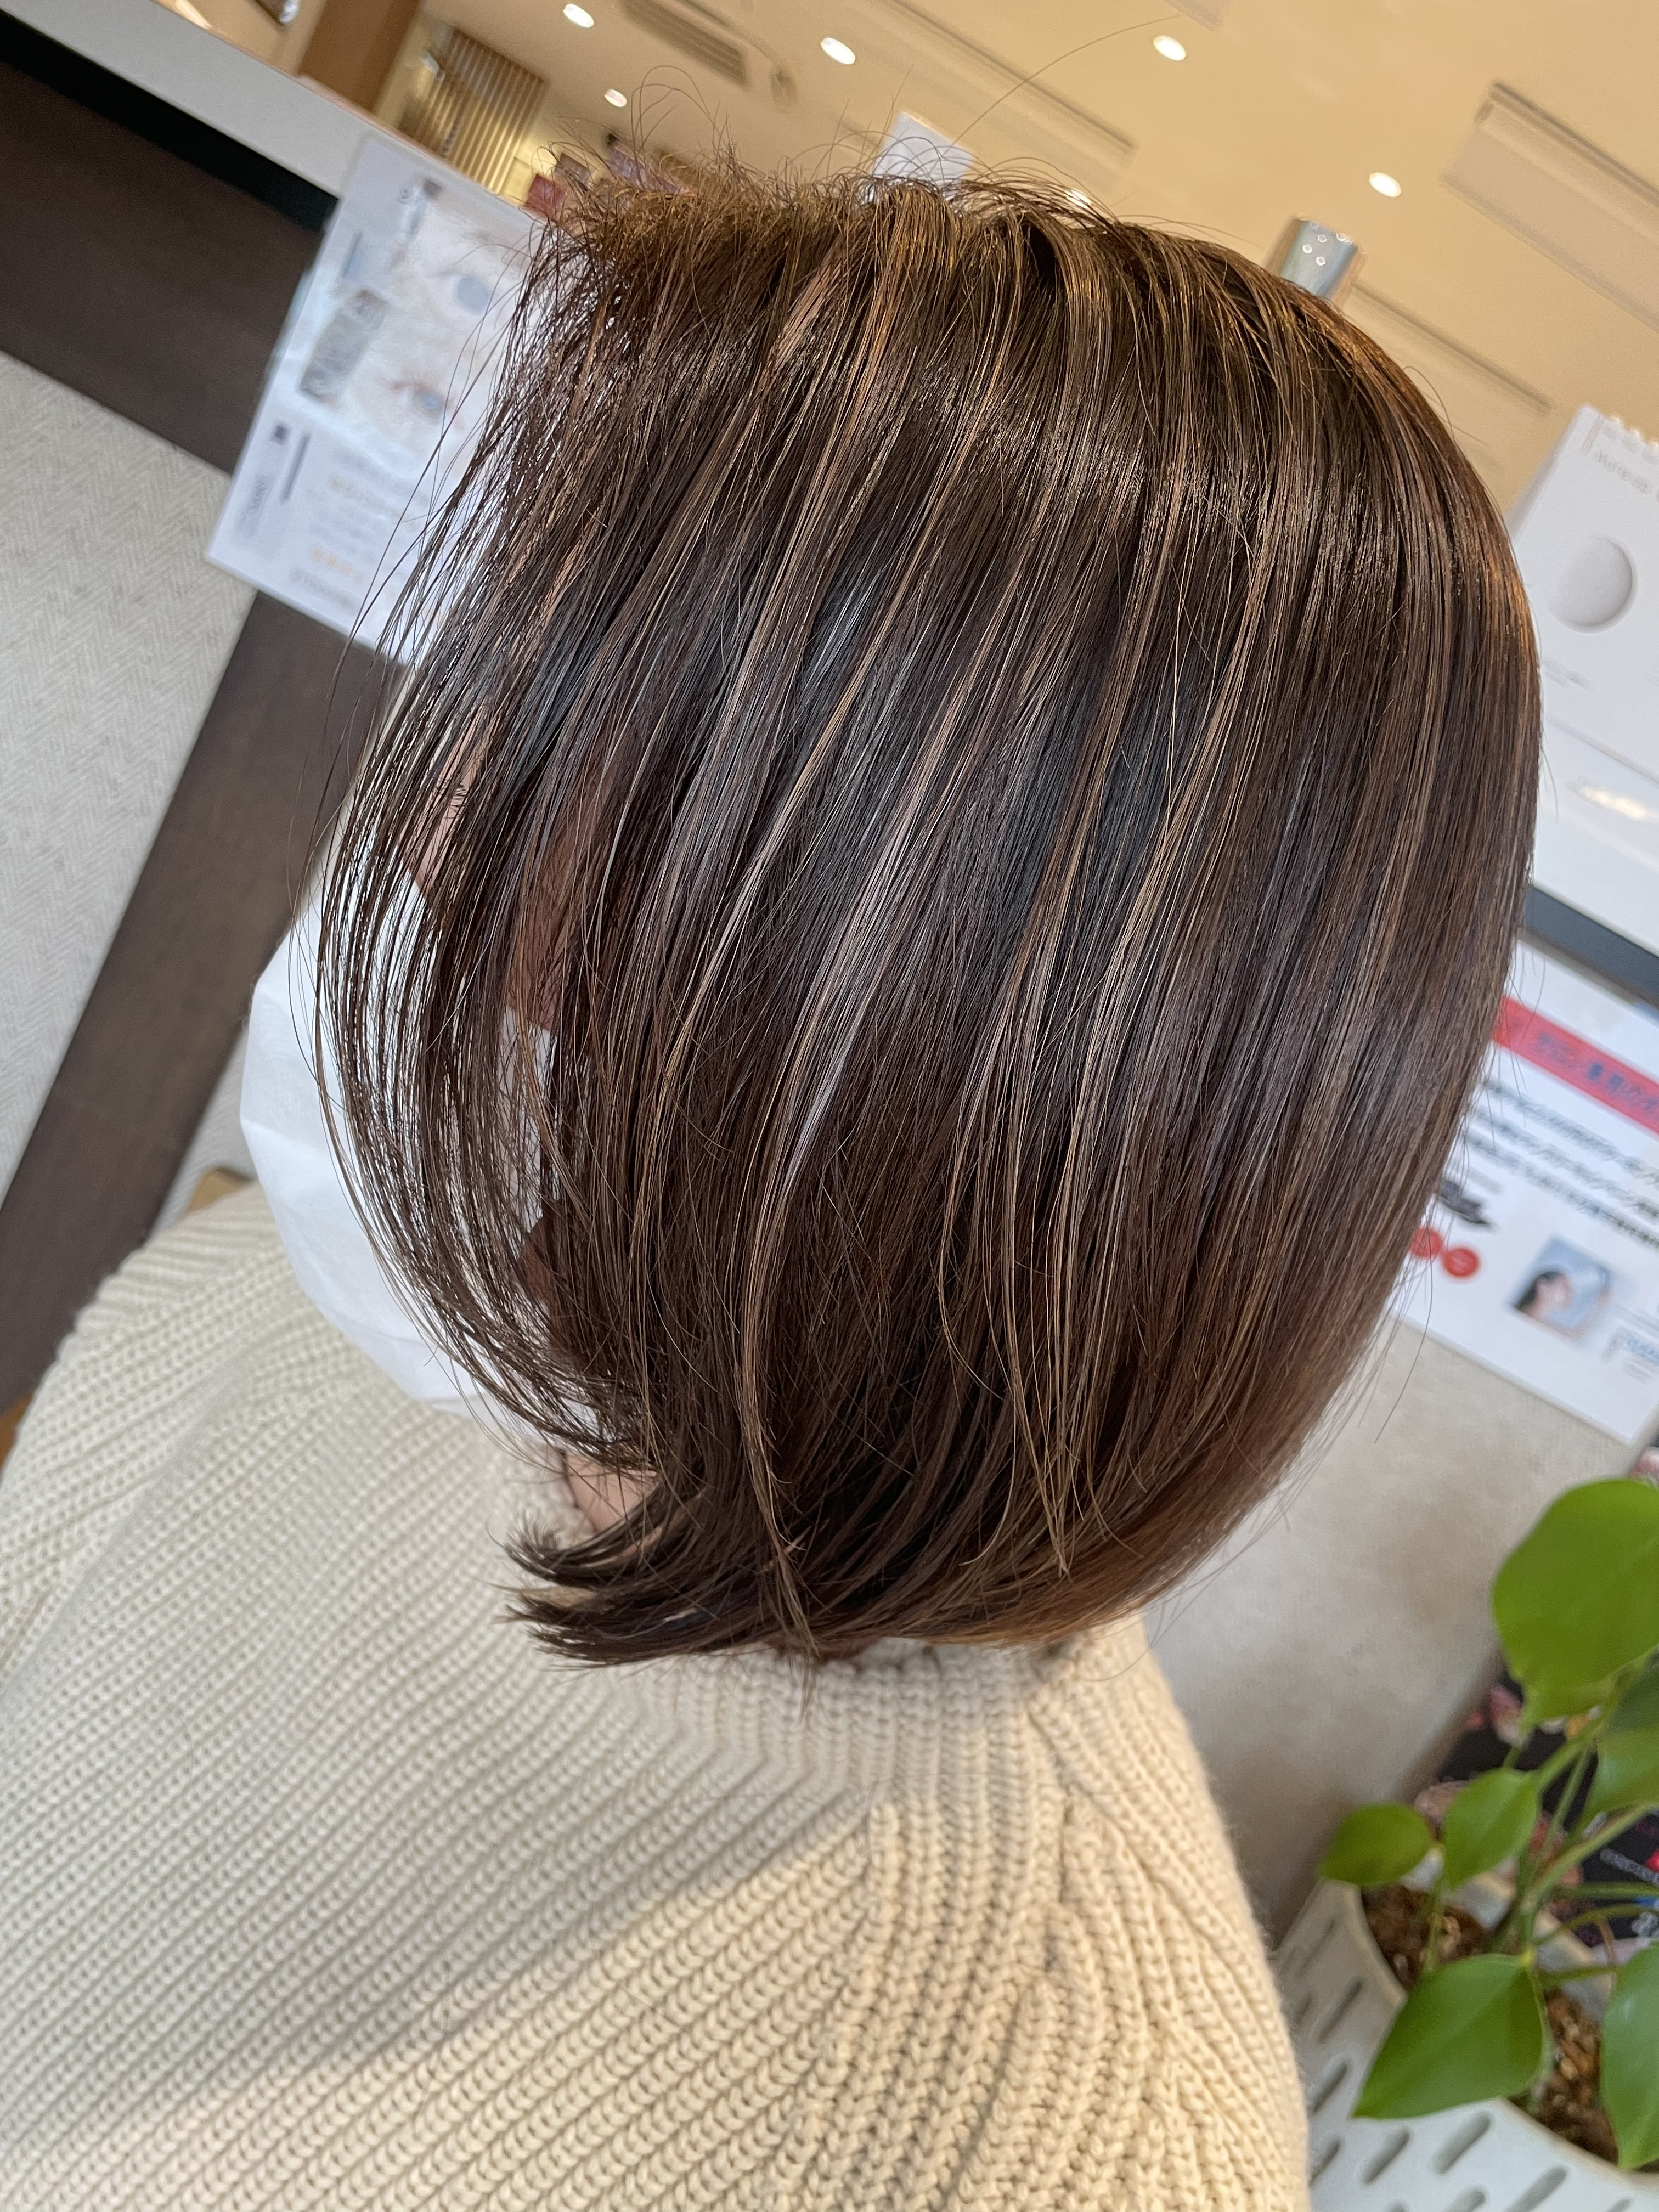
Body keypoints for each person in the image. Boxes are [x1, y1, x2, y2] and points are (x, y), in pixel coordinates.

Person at [0, 170, 1539, 2210]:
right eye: (485, 676)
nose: (426, 823)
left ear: (904, 999)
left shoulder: (1062, 2146)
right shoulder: (292, 1313)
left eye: (549, 721)